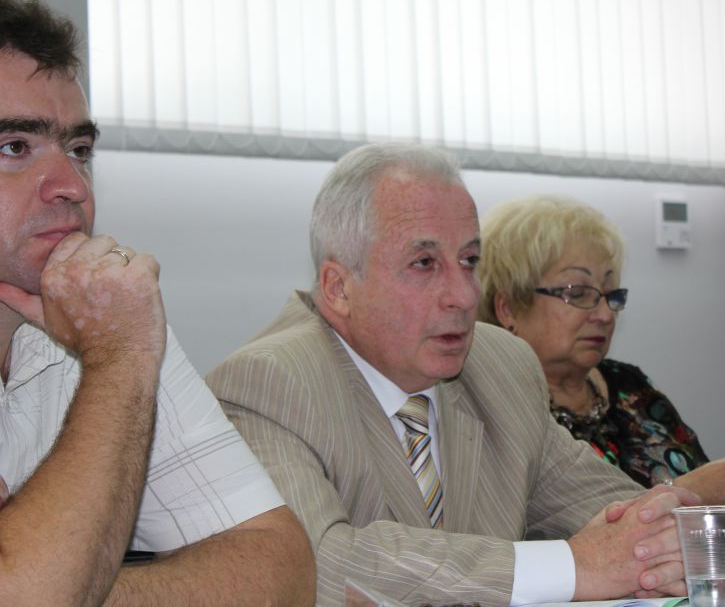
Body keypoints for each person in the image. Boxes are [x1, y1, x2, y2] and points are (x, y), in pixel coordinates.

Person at [0, 0, 314, 605]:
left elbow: (283, 571)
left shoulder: (100, 309)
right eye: (14, 148)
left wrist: (48, 570)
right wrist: (117, 362)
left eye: (78, 150)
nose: (70, 186)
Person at [206, 142, 698, 606]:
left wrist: (663, 536)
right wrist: (571, 567)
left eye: (469, 261)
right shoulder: (266, 384)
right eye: (424, 263)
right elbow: (315, 564)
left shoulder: (500, 365)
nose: (464, 295)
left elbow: (615, 512)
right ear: (338, 288)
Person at [476, 194, 725, 509]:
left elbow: (715, 491)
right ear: (508, 308)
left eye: (610, 294)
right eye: (578, 292)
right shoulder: (495, 406)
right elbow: (543, 529)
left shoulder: (629, 385)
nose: (605, 314)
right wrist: (686, 494)